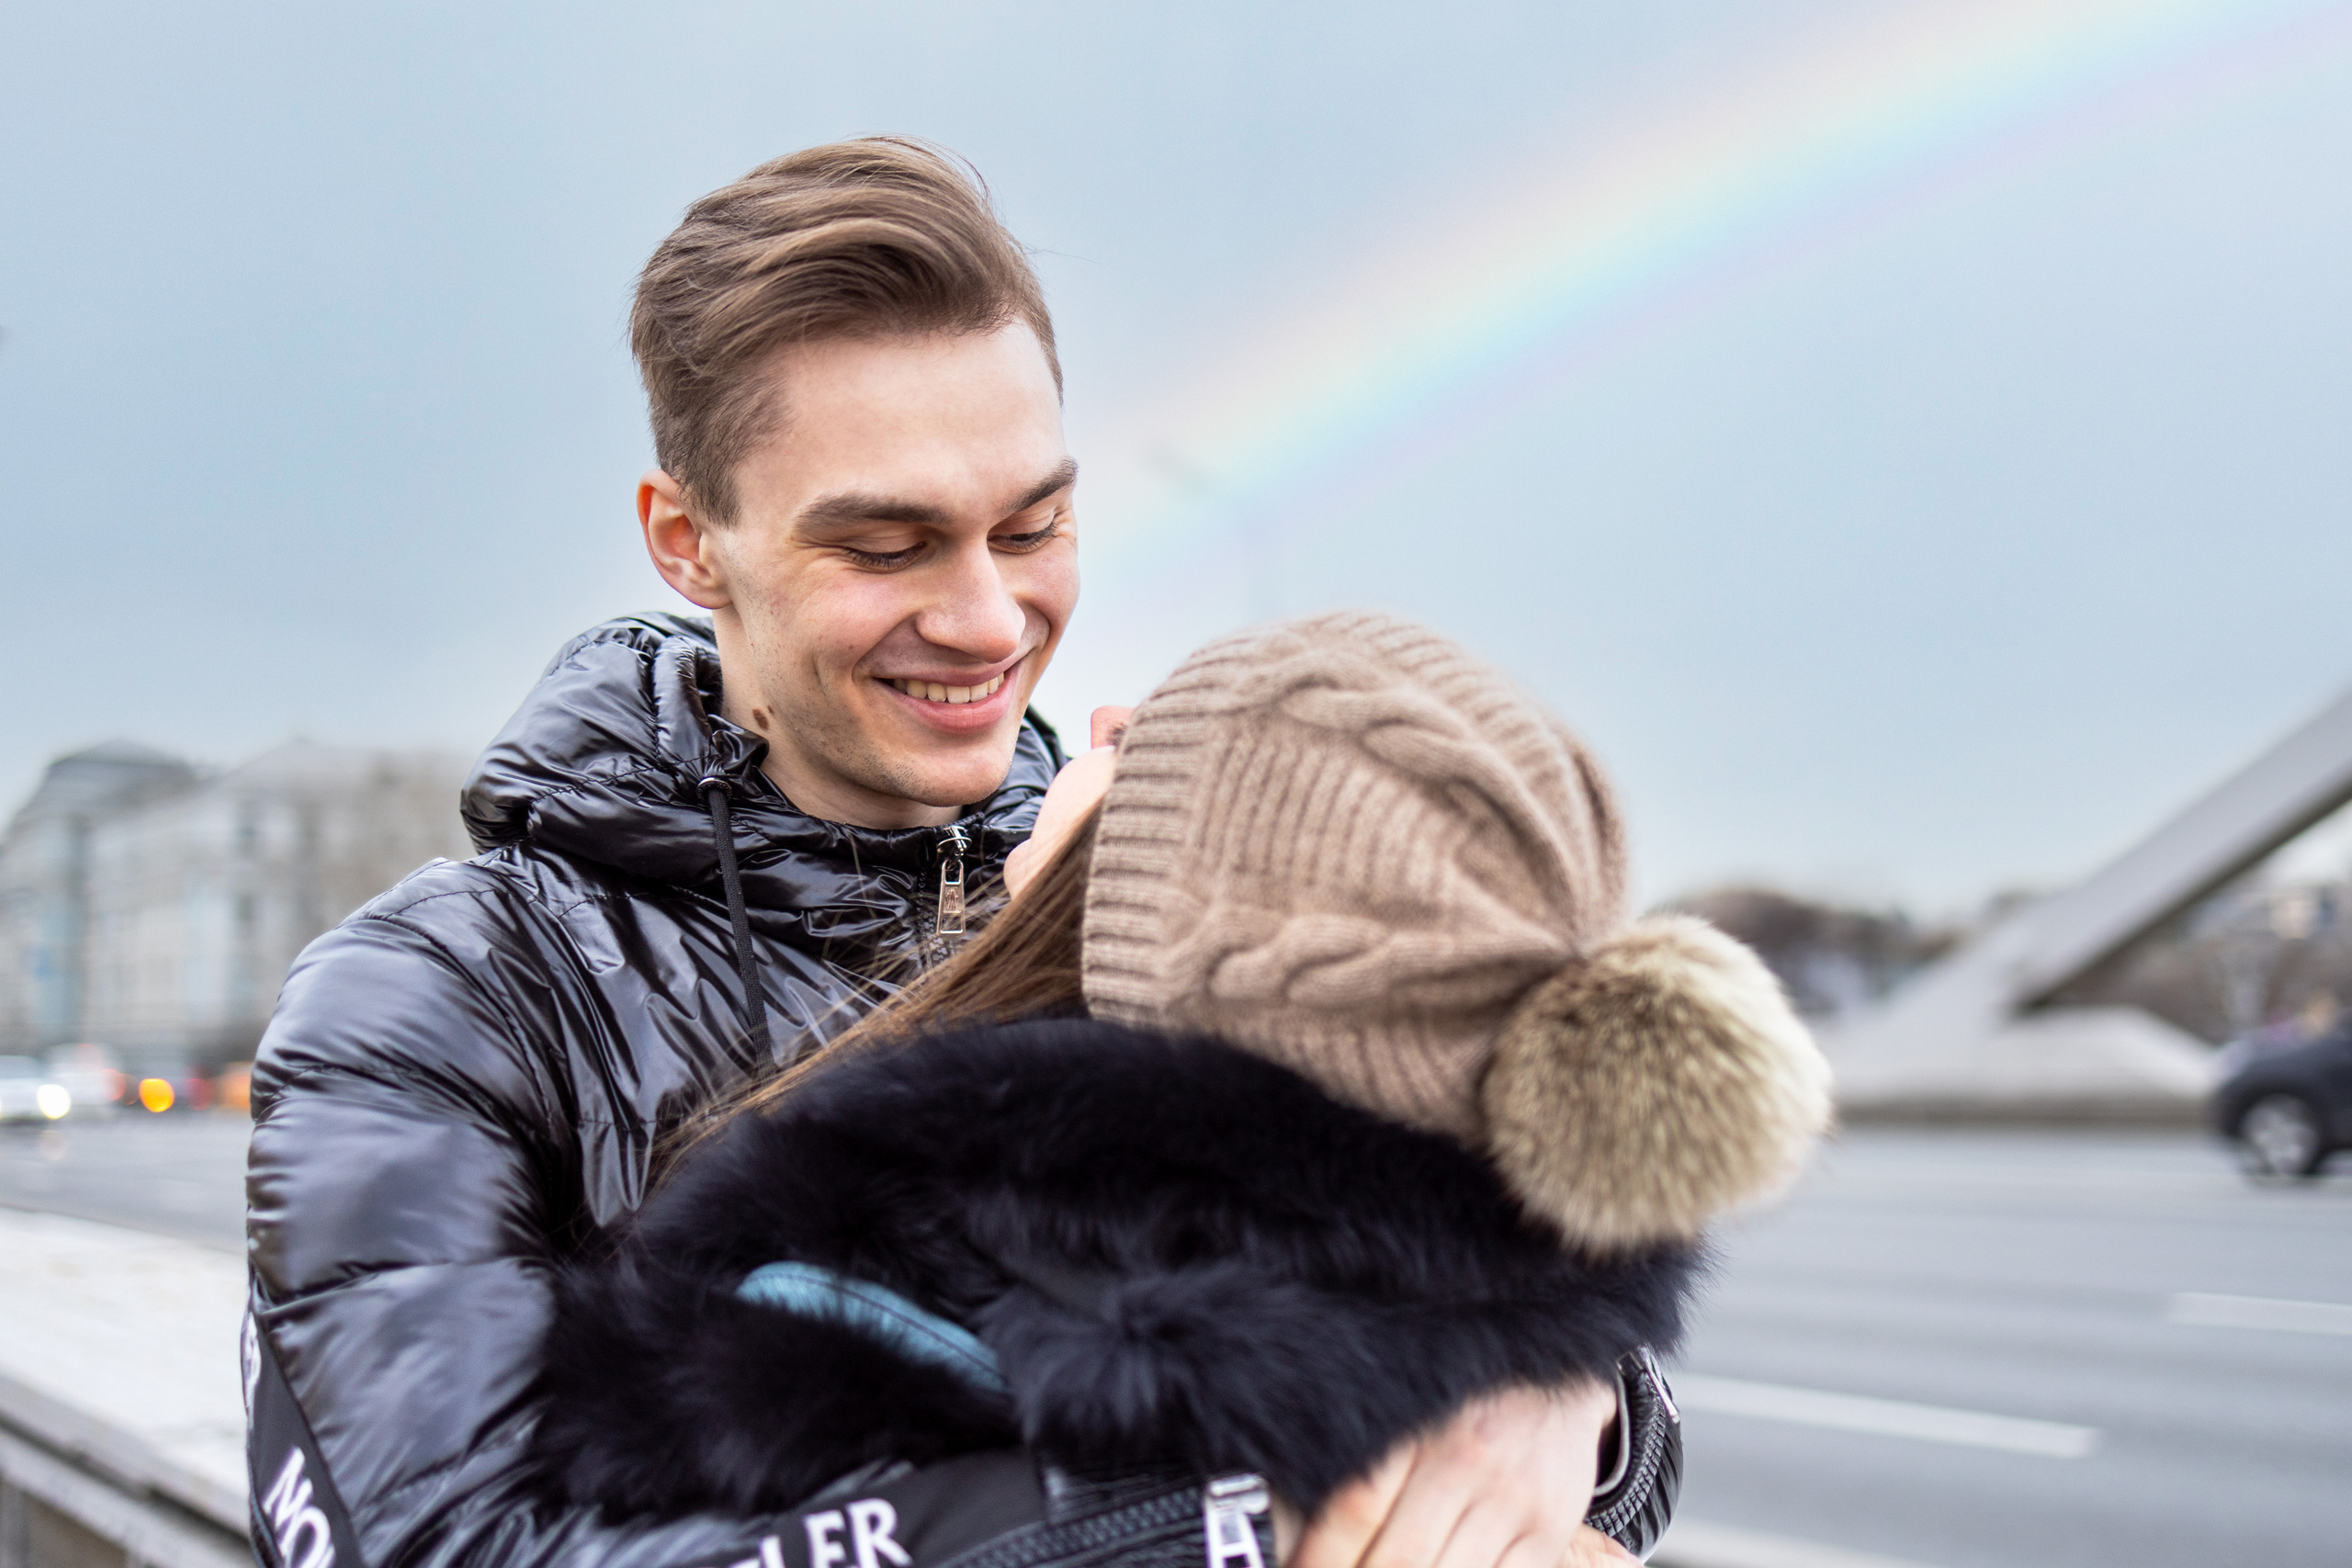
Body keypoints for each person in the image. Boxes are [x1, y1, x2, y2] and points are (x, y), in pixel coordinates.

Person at [241, 142, 1743, 1568]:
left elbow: (1488, 1270)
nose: (984, 619)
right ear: (689, 542)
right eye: (884, 547)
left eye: (1033, 525)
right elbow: (447, 1543)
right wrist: (1250, 1504)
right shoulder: (439, 1001)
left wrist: (1573, 1395)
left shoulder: (1182, 885)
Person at [525, 612, 1831, 1568]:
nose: (1092, 722)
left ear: (1196, 927)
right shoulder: (1472, 1360)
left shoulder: (845, 1307)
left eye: (1148, 745)